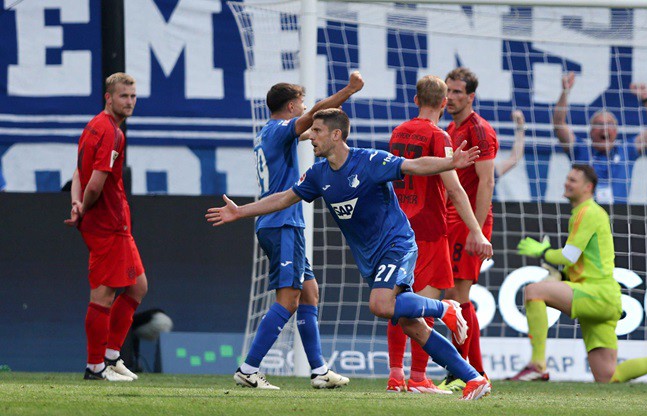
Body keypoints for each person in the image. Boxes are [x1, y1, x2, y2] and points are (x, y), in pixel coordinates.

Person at [207, 108, 492, 400]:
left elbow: (414, 165)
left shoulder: (369, 160)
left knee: (381, 304)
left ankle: (444, 309)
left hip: (397, 244)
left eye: (317, 132)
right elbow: (284, 198)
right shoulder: (318, 174)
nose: (311, 138)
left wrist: (450, 162)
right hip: (369, 257)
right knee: (411, 325)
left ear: (336, 134)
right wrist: (241, 212)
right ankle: (472, 378)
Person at [233, 73, 365, 390]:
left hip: (280, 223)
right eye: (301, 105)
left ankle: (319, 370)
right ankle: (249, 369)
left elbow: (312, 129)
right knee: (289, 300)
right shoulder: (281, 130)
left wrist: (322, 131)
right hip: (282, 222)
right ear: (292, 106)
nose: (305, 111)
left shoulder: (268, 133)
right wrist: (349, 90)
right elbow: (316, 114)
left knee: (309, 293)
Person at [509, 164, 647, 383]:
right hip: (604, 298)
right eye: (567, 178)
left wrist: (544, 252)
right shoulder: (584, 213)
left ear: (588, 187)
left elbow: (569, 256)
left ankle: (537, 364)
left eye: (573, 180)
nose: (567, 183)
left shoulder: (589, 212)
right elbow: (581, 261)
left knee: (533, 291)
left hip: (596, 293)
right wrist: (563, 275)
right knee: (608, 377)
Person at [386, 75, 492, 394]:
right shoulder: (438, 135)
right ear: (444, 103)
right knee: (425, 303)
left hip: (398, 230)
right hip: (430, 230)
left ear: (415, 100)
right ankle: (418, 377)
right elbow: (454, 189)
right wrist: (477, 230)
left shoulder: (398, 132)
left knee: (397, 300)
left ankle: (395, 376)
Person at [64, 73, 147, 382]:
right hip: (108, 224)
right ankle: (96, 366)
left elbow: (78, 172)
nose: (129, 101)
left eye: (133, 96)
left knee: (138, 287)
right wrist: (84, 207)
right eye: (124, 96)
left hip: (113, 223)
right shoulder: (111, 133)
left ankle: (111, 357)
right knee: (102, 295)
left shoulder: (92, 127)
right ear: (108, 98)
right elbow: (95, 183)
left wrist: (75, 203)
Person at [437, 67, 498, 392]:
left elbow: (487, 180)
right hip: (451, 220)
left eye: (457, 92)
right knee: (451, 296)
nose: (451, 97)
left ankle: (473, 372)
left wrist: (477, 229)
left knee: (459, 297)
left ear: (471, 96)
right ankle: (465, 369)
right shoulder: (451, 128)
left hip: (469, 222)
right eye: (448, 91)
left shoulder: (479, 130)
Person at [553, 72, 647, 204]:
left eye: (609, 124)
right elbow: (559, 124)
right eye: (599, 124)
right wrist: (565, 92)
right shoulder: (580, 149)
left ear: (616, 131)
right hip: (586, 215)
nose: (605, 129)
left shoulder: (626, 151)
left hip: (619, 216)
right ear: (590, 132)